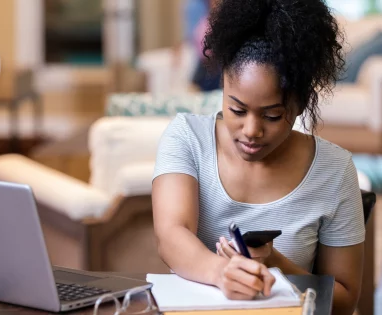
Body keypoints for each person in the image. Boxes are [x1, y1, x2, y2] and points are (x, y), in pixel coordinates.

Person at [152, 1, 364, 315]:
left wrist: (275, 263)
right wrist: (220, 272)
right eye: (237, 110)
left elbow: (345, 300)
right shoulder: (187, 138)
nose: (251, 131)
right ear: (223, 82)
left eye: (273, 116)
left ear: (301, 103)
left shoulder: (335, 171)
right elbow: (171, 235)